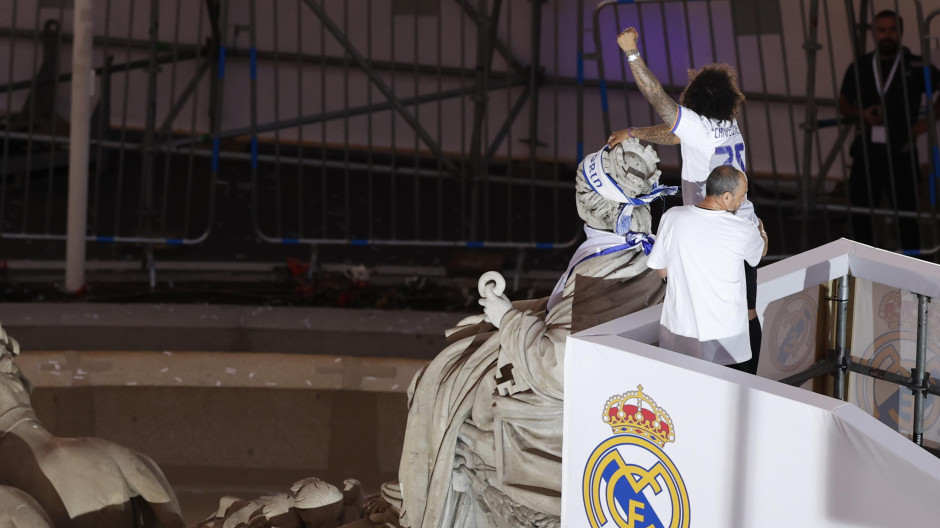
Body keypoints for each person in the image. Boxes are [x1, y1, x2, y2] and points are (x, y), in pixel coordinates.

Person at [610, 26, 765, 373]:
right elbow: (678, 135)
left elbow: (657, 97)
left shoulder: (698, 126)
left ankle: (701, 375)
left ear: (694, 98)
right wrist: (633, 132)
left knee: (698, 311)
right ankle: (749, 378)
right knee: (746, 310)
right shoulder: (726, 122)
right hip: (742, 224)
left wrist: (631, 53)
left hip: (712, 231)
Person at [838, 9, 940, 251]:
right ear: (874, 33)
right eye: (882, 30)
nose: (887, 35)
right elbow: (843, 102)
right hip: (867, 153)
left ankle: (911, 266)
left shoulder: (916, 65)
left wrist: (926, 123)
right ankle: (862, 264)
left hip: (901, 153)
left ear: (901, 32)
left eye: (892, 30)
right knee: (861, 216)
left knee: (907, 218)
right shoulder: (862, 65)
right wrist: (862, 113)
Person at [647, 165, 767, 367]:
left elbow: (662, 270)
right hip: (726, 340)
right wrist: (761, 229)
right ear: (726, 197)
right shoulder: (744, 229)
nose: (743, 202)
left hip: (678, 332)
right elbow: (760, 251)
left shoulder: (672, 217)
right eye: (742, 196)